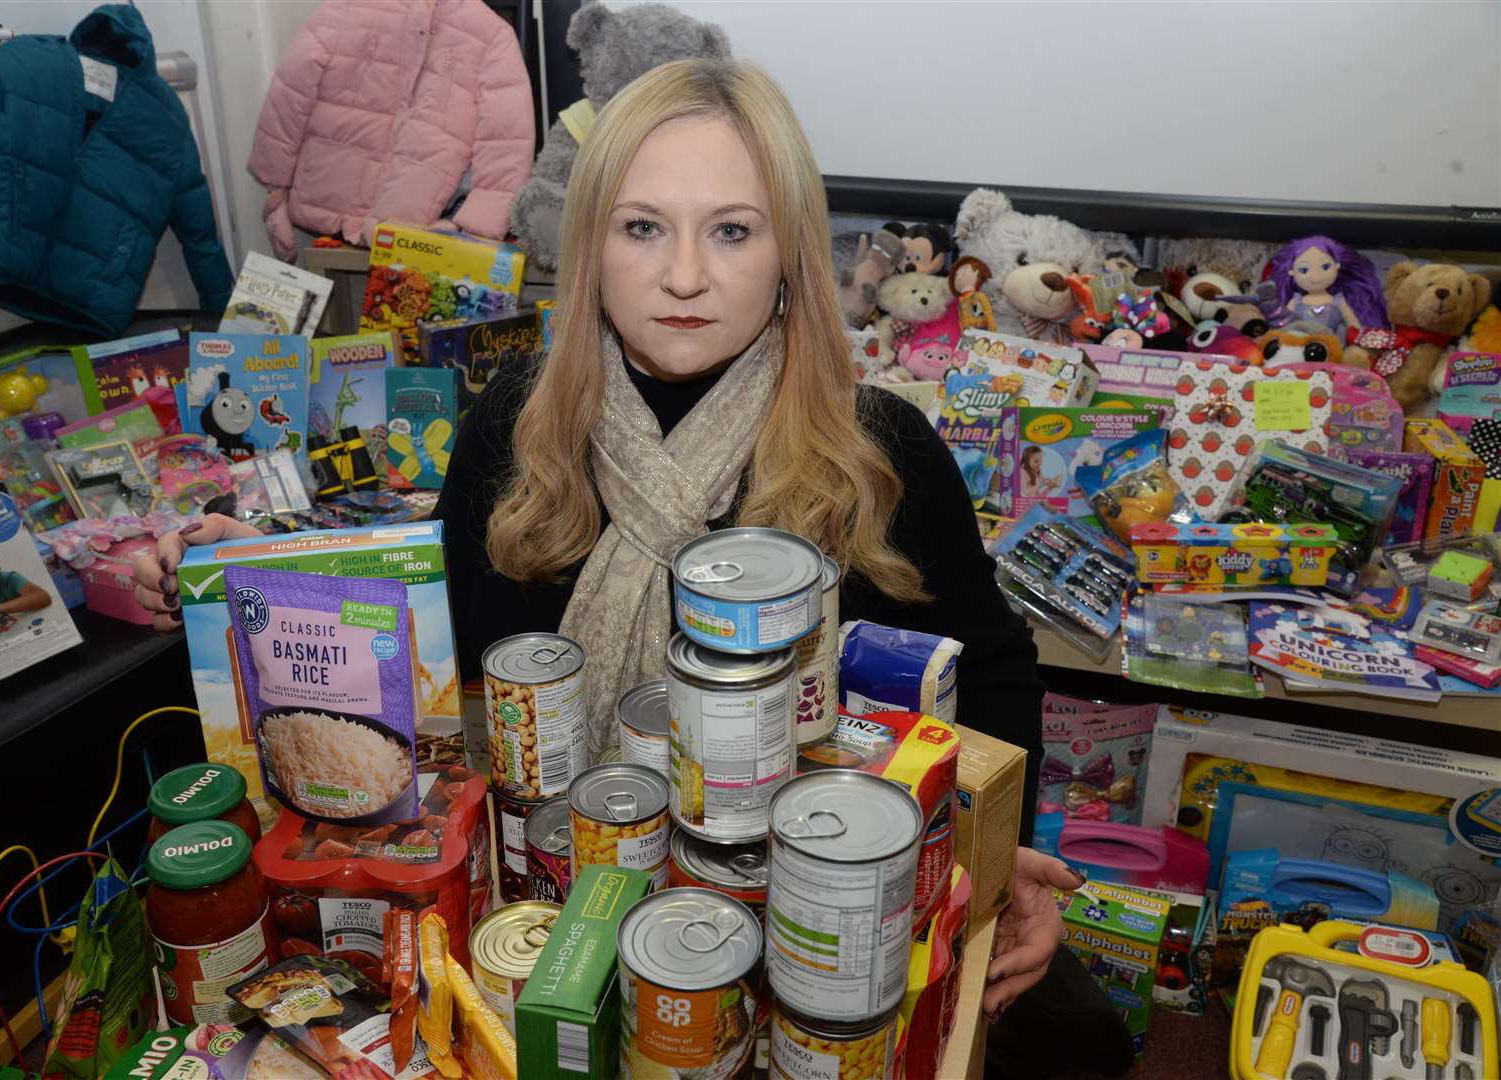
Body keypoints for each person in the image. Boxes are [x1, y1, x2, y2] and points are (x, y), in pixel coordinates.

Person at [137, 60, 1128, 1057]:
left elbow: (993, 671)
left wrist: (1004, 867)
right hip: (547, 904)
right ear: (589, 245)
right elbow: (417, 635)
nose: (685, 275)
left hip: (817, 936)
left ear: (789, 248)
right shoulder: (514, 427)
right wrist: (273, 572)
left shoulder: (881, 452)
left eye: (731, 230)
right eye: (642, 227)